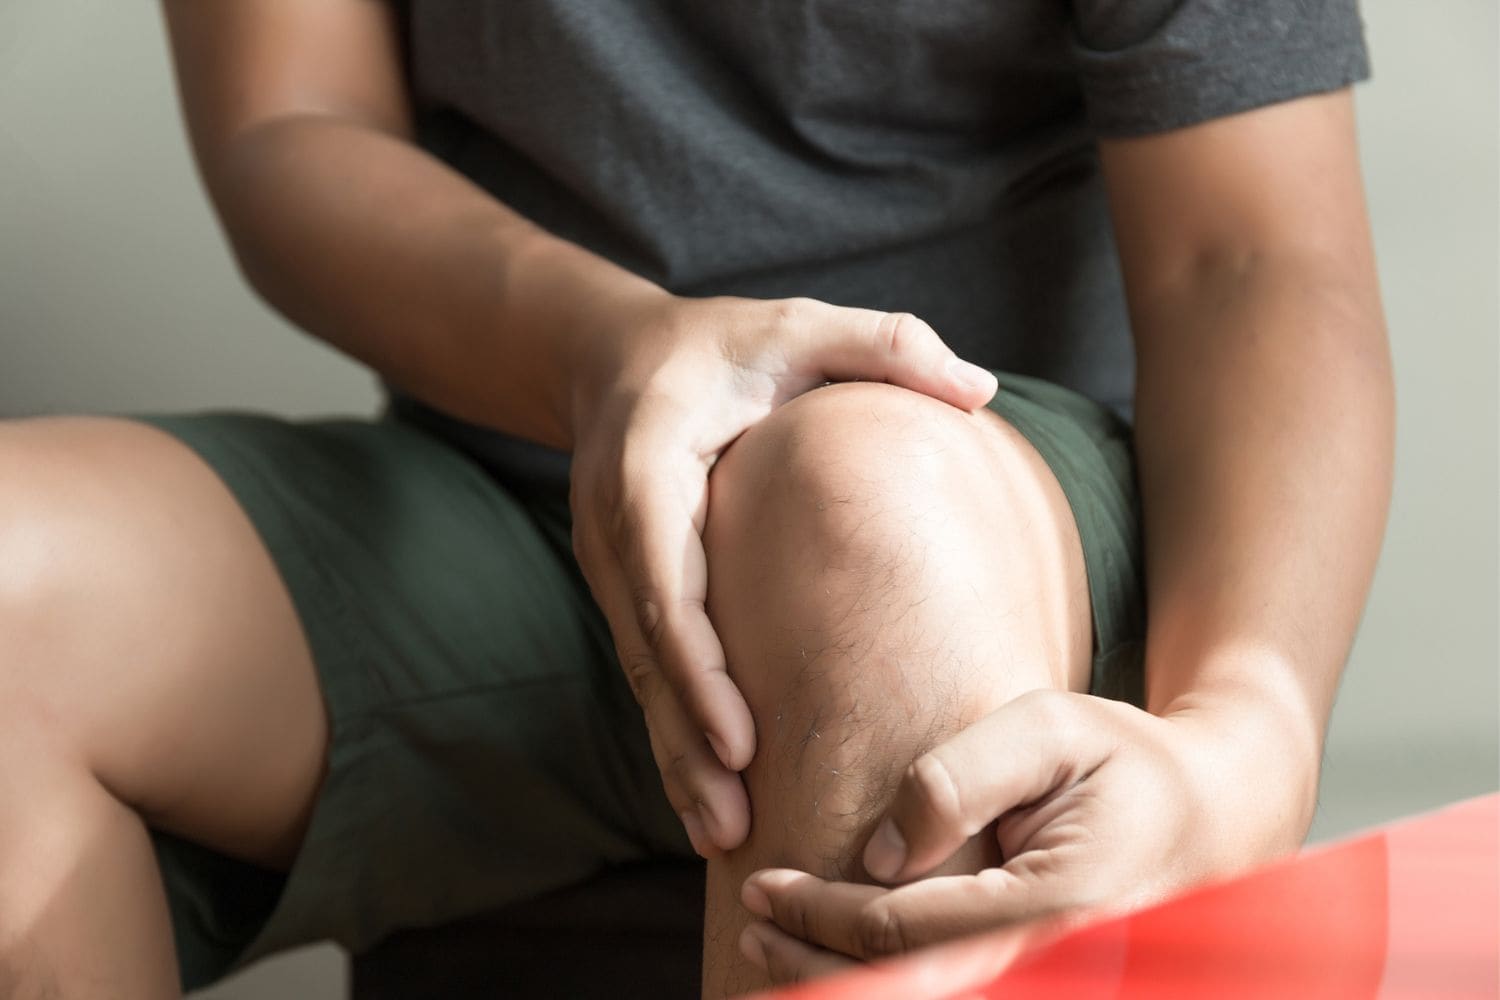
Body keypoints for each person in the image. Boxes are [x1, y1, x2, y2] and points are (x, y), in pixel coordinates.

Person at [0, 1, 1392, 997]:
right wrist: (606, 351)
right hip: (516, 488)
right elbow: (292, 118)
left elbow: (1256, 256)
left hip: (974, 507)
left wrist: (1247, 742)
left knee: (859, 505)